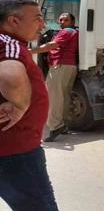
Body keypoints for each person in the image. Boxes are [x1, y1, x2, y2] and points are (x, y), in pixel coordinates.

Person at [0, 0, 101, 211]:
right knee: (37, 203)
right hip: (15, 148)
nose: (43, 24)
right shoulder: (9, 44)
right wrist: (20, 104)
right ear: (13, 21)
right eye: (37, 18)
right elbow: (11, 76)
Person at [31, 13, 79, 142]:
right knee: (63, 97)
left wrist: (30, 51)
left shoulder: (67, 31)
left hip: (60, 66)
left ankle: (55, 126)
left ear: (72, 22)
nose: (62, 22)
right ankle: (63, 124)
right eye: (61, 20)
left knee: (53, 98)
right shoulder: (73, 32)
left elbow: (52, 45)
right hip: (69, 66)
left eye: (66, 20)